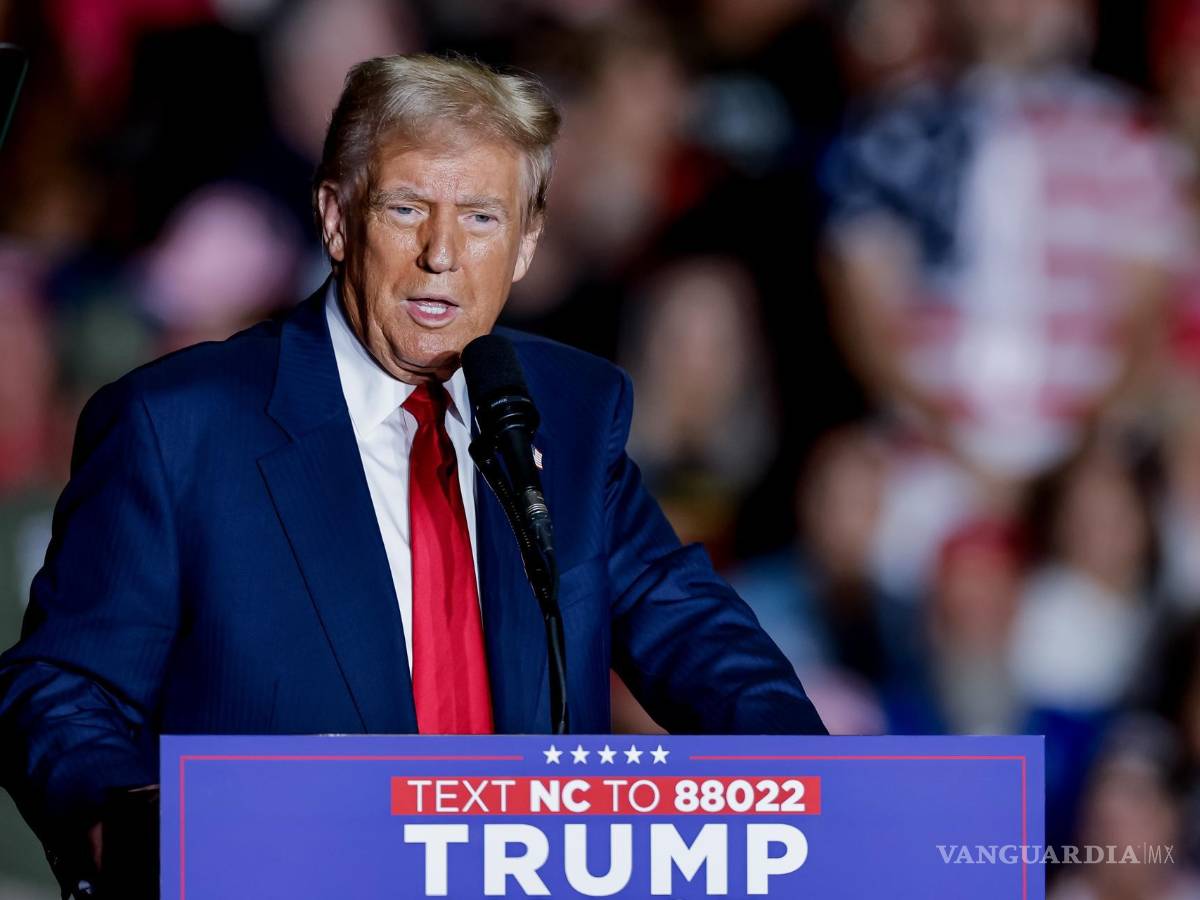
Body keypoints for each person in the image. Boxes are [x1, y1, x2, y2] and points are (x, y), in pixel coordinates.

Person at [0, 54, 826, 894]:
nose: (442, 254)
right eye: (407, 209)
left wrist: (814, 791)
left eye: (480, 218)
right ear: (335, 216)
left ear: (528, 242)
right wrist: (132, 826)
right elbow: (63, 686)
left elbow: (694, 633)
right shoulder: (179, 427)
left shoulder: (570, 410)